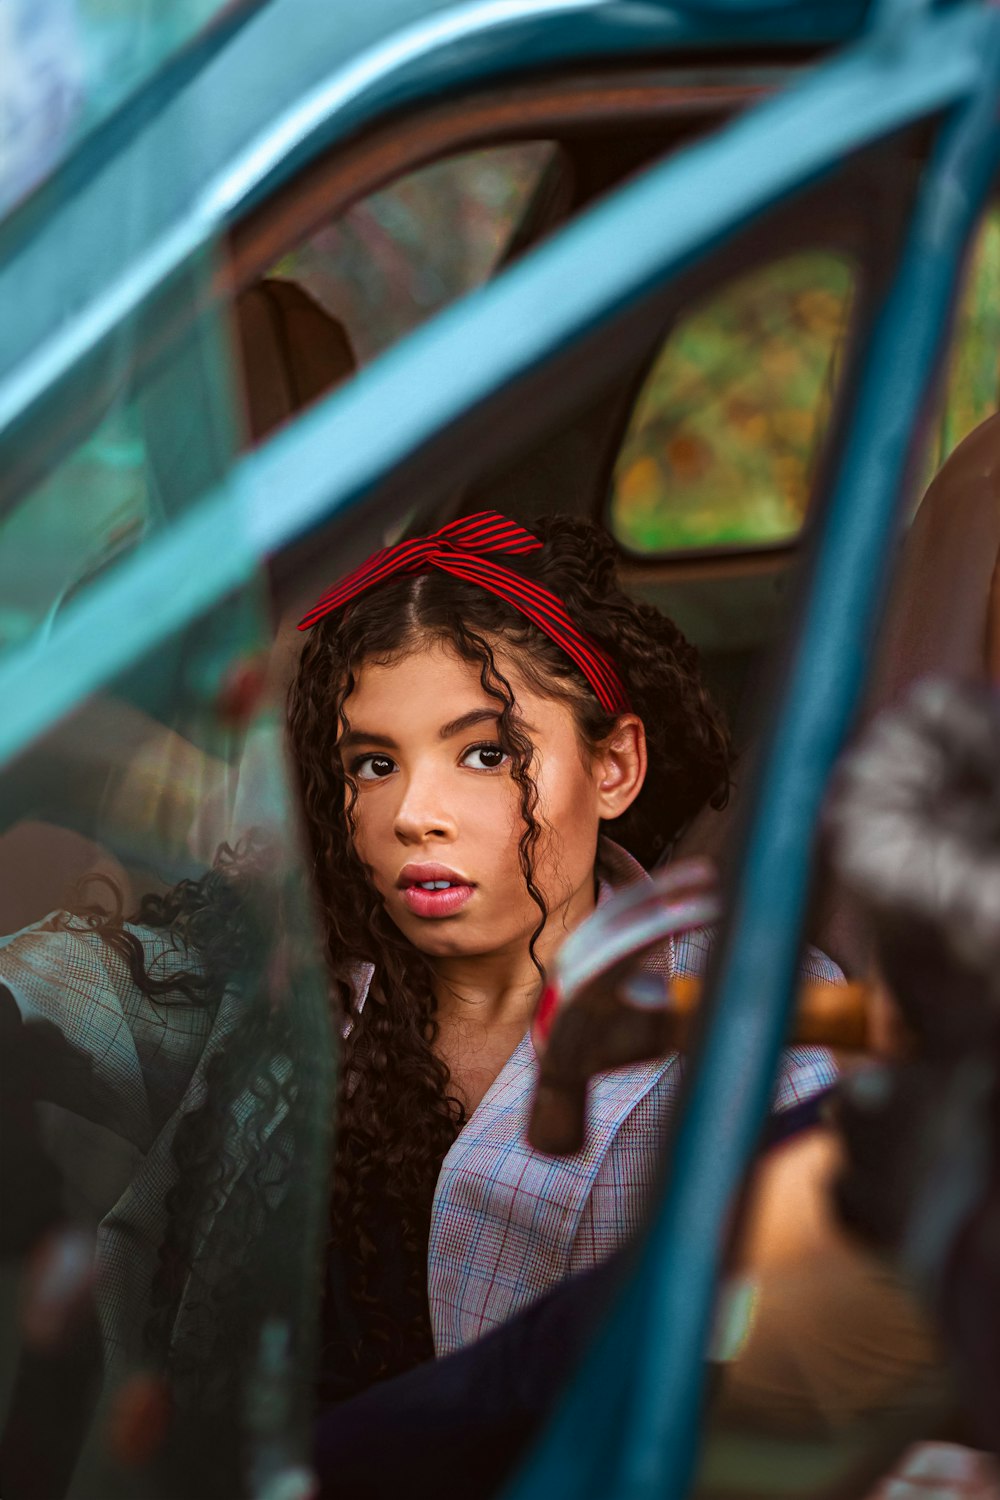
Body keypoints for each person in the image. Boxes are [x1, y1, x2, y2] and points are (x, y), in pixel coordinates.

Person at [0, 511, 839, 1436]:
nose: (413, 814)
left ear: (614, 766)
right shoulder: (282, 963)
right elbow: (69, 992)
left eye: (485, 754)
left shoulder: (764, 1035)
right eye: (373, 763)